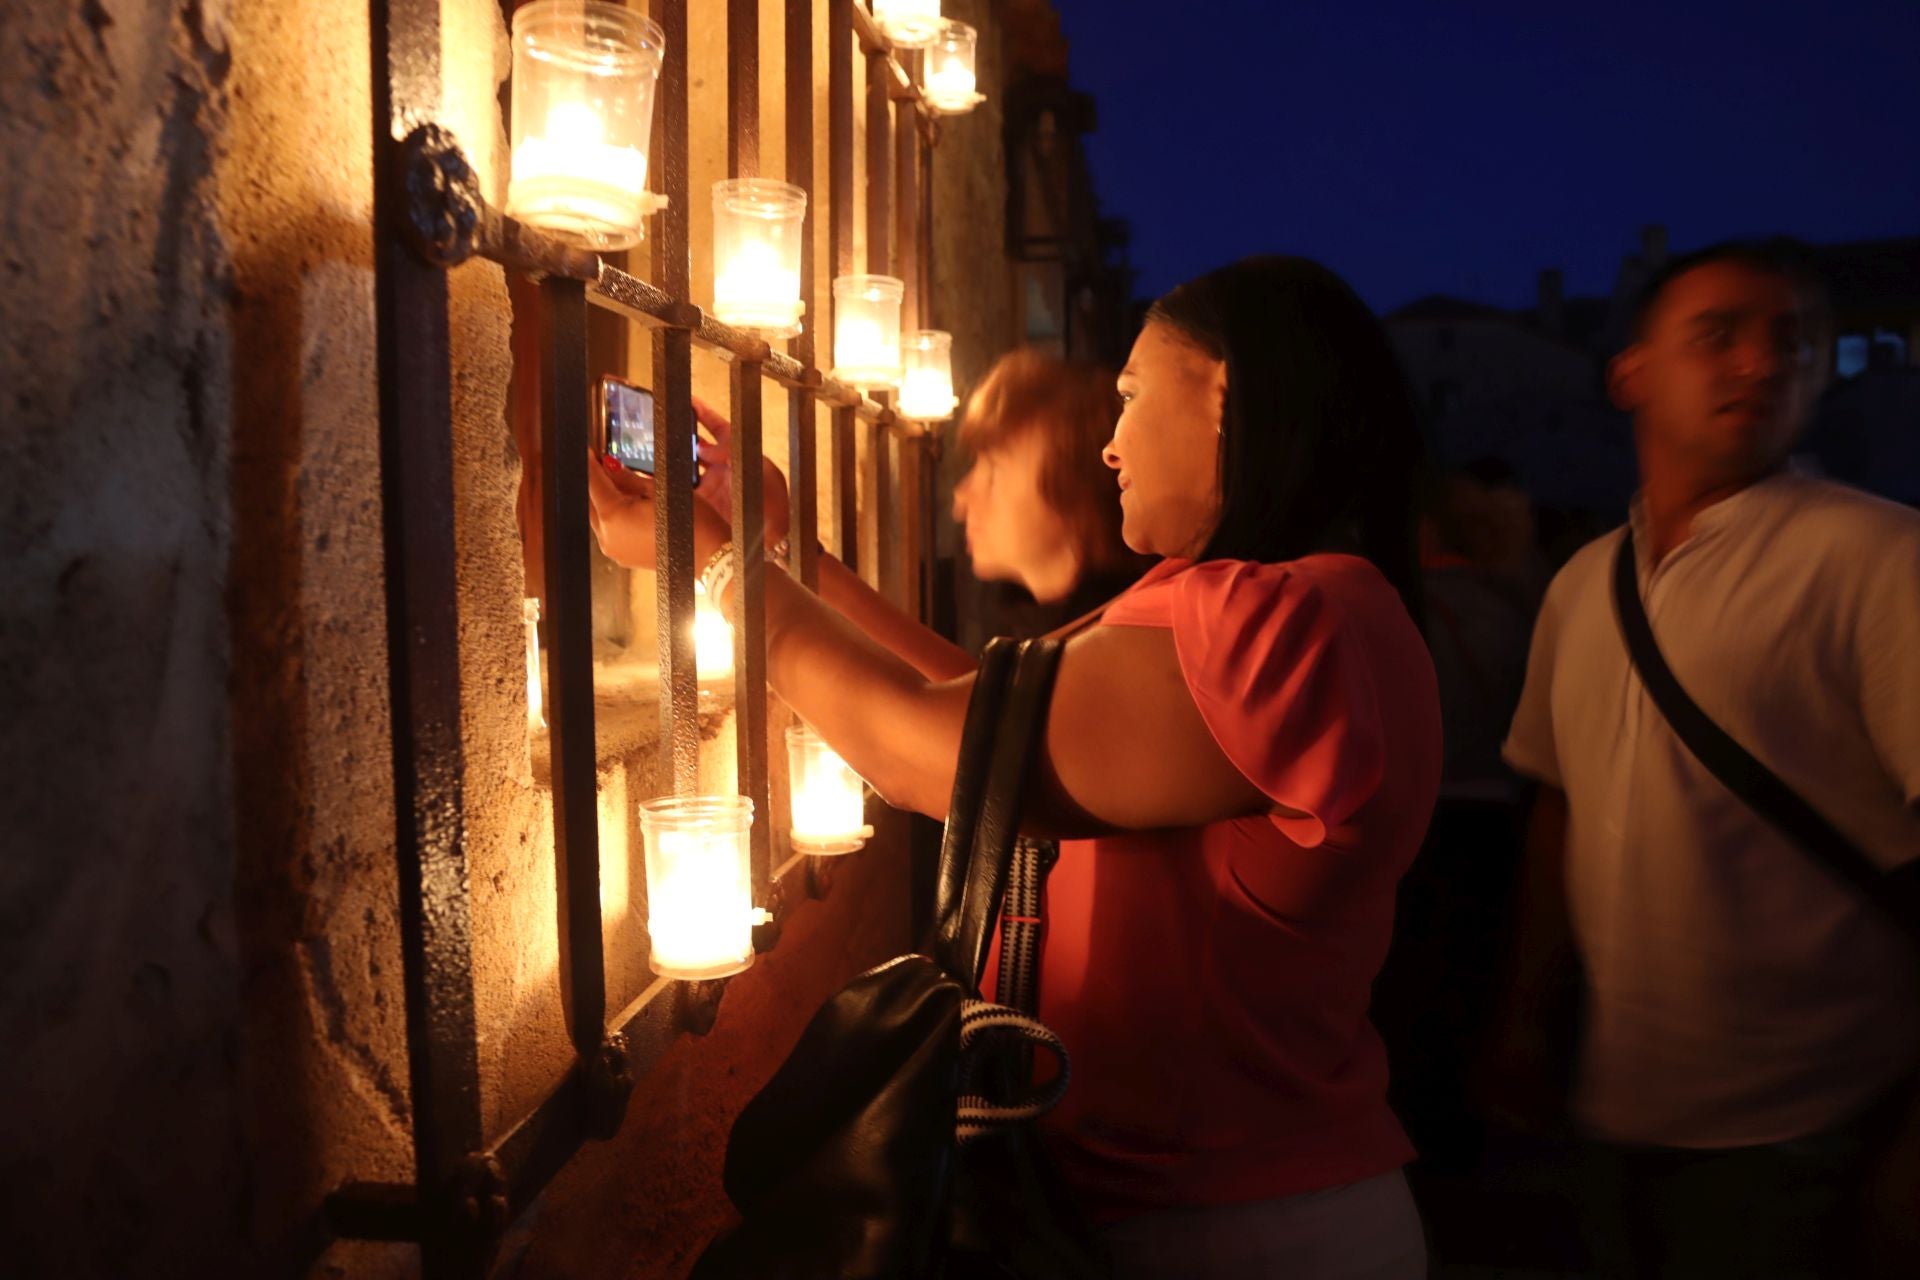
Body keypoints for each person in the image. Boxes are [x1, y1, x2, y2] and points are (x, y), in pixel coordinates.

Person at [588, 255, 1440, 1278]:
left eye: (1128, 395)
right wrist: (781, 554)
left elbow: (935, 756)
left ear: (1223, 391)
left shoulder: (1290, 623)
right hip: (1188, 1207)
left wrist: (716, 563)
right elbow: (988, 715)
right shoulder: (1254, 601)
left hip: (1232, 1223)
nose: (1112, 446)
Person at [1492, 238, 1920, 1278]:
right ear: (1629, 372)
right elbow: (1562, 807)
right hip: (1614, 1110)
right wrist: (1521, 1018)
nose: (1763, 362)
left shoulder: (1877, 556)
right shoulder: (1584, 585)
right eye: (1718, 335)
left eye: (1796, 339)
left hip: (1817, 1122)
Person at [949, 349, 1149, 636]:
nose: (962, 498)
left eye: (994, 469)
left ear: (1078, 491)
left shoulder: (1125, 644)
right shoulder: (1025, 627)